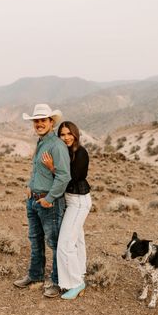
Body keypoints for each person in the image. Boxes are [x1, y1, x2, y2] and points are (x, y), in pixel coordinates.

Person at [13, 104, 71, 298]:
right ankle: (35, 274)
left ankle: (56, 281)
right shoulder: (41, 142)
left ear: (51, 122)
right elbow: (37, 169)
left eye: (42, 120)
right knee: (35, 240)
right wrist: (30, 185)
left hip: (49, 202)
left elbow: (63, 176)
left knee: (54, 244)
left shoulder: (57, 145)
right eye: (36, 121)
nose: (38, 124)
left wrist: (49, 198)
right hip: (34, 199)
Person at [42, 121, 92, 299]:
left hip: (79, 201)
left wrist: (52, 168)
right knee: (77, 241)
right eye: (62, 135)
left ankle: (76, 283)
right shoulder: (65, 152)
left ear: (75, 134)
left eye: (69, 134)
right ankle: (80, 273)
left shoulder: (81, 152)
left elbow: (72, 178)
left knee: (65, 244)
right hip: (70, 201)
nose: (66, 137)